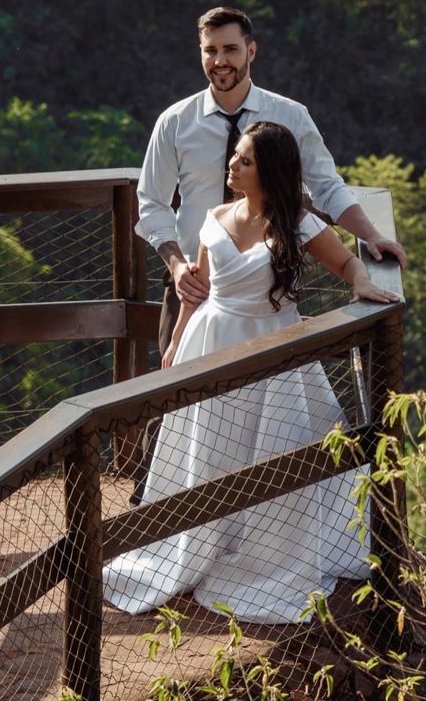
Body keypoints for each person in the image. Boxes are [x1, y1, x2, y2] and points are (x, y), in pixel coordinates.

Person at [104, 121, 402, 622]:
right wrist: (175, 343)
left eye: (245, 161)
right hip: (210, 344)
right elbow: (196, 292)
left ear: (269, 172)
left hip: (275, 350)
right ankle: (199, 542)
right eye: (235, 156)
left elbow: (347, 265)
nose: (232, 165)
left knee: (278, 451)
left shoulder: (297, 224)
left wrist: (363, 282)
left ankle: (265, 556)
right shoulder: (214, 216)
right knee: (209, 451)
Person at [137, 6, 406, 352]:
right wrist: (177, 267)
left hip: (266, 297)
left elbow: (326, 187)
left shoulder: (290, 115)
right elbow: (152, 202)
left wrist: (371, 235)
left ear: (251, 51)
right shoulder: (174, 122)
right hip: (191, 287)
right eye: (210, 50)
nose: (220, 60)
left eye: (230, 49)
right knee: (175, 381)